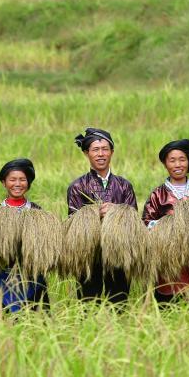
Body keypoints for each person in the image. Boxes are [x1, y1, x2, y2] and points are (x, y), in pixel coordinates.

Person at [142, 139, 189, 302]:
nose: (177, 164)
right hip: (169, 265)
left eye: (182, 159)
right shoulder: (158, 195)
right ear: (165, 164)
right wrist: (168, 226)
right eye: (172, 160)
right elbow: (146, 223)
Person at [66, 127, 137, 302]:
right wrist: (94, 213)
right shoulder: (77, 187)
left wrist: (117, 211)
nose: (100, 154)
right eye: (95, 150)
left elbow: (134, 221)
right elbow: (73, 224)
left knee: (119, 302)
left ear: (112, 152)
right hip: (88, 256)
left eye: (105, 149)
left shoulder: (124, 186)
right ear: (86, 153)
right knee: (88, 303)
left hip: (119, 253)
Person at [0, 158, 49, 312]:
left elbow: (46, 247)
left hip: (33, 278)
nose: (17, 184)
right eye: (12, 179)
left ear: (28, 183)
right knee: (3, 323)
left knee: (36, 323)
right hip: (2, 279)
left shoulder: (38, 212)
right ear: (4, 182)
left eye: (22, 179)